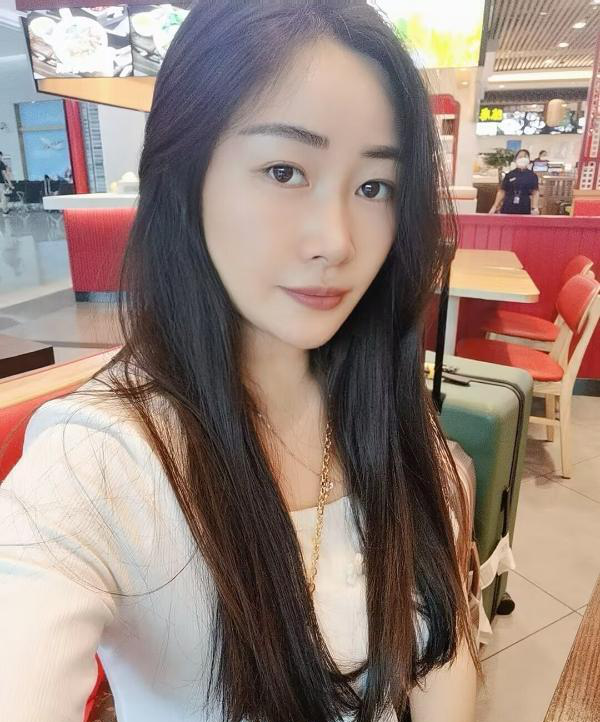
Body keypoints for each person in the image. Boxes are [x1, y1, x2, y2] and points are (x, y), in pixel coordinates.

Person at [0, 2, 481, 721]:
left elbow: (441, 659)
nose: (337, 241)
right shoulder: (98, 460)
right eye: (285, 170)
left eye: (373, 186)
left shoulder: (384, 404)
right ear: (184, 176)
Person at [489, 149, 540, 215]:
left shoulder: (532, 175)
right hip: (508, 204)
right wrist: (494, 206)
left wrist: (534, 207)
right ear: (516, 159)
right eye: (520, 157)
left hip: (524, 205)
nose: (522, 158)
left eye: (525, 156)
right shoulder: (510, 174)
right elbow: (502, 191)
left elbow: (535, 192)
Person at [0, 150, 14, 215]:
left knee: (3, 197)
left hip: (2, 182)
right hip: (0, 183)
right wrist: (10, 183)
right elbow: (5, 174)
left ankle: (4, 209)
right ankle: (5, 210)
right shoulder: (1, 163)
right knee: (4, 197)